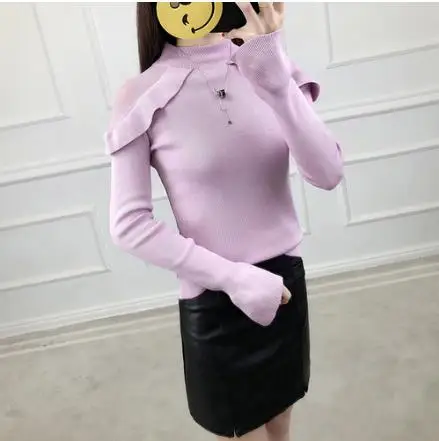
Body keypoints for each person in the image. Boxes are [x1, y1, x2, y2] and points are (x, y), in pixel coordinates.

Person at [105, 2, 343, 440]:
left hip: (284, 286)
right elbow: (129, 223)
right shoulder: (140, 95)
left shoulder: (269, 66)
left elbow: (327, 174)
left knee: (281, 428)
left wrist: (276, 81)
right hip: (215, 298)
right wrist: (234, 278)